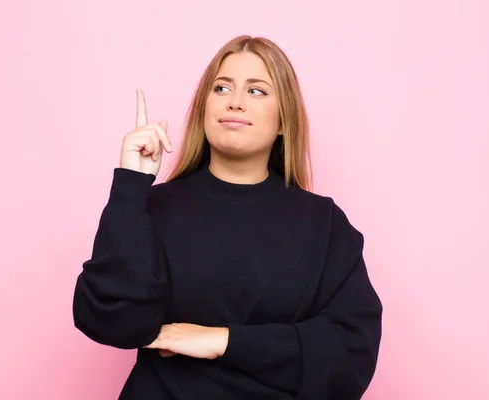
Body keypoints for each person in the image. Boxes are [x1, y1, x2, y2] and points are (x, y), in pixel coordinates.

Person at [72, 35, 383, 400]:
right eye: (222, 88)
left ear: (284, 121)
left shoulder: (325, 224)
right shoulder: (151, 206)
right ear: (205, 107)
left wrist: (225, 341)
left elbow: (350, 354)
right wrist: (132, 183)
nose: (235, 102)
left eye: (257, 92)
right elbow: (112, 322)